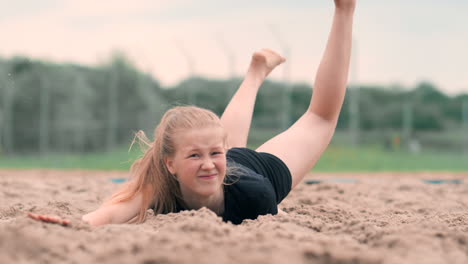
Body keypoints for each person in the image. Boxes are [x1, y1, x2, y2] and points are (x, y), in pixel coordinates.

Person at [28, 0, 356, 226]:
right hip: (233, 168)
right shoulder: (160, 186)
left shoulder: (255, 195)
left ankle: (345, 9)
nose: (208, 163)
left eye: (213, 153)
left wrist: (216, 157)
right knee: (222, 147)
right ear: (170, 163)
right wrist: (73, 225)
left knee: (321, 118)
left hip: (259, 171)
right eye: (193, 155)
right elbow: (110, 214)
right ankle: (255, 74)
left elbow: (270, 215)